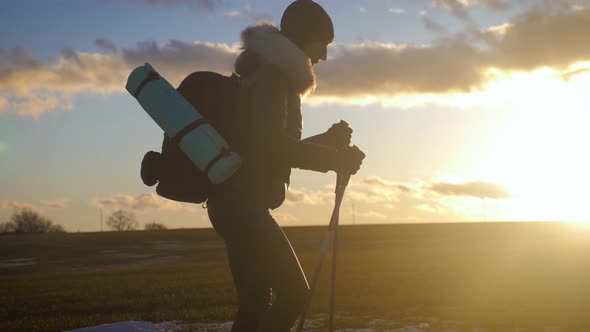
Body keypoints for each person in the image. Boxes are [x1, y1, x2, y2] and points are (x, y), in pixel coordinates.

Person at [206, 1, 365, 331]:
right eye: (322, 44)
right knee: (295, 295)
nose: (323, 55)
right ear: (306, 38)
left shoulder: (267, 73)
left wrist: (328, 140)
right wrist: (334, 160)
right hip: (244, 207)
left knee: (255, 302)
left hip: (232, 202)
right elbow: (273, 149)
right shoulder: (274, 77)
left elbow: (269, 149)